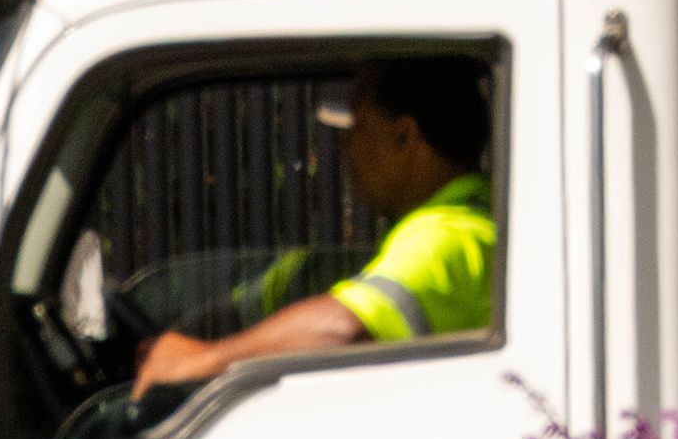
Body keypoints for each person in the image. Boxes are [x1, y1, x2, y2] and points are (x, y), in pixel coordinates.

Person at [134, 54, 494, 397]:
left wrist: (203, 360)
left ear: (404, 135)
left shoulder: (453, 235)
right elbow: (269, 295)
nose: (343, 146)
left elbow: (340, 328)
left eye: (358, 125)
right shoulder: (457, 221)